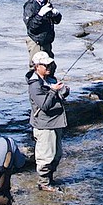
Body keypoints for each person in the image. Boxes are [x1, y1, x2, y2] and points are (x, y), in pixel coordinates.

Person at [27, 52, 69, 191]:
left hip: (56, 123)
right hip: (45, 126)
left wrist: (63, 91)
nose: (49, 67)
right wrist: (53, 91)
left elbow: (58, 94)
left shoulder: (49, 78)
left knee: (57, 155)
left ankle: (49, 179)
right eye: (45, 65)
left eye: (50, 64)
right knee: (46, 157)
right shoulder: (34, 86)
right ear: (37, 67)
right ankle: (44, 183)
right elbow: (44, 105)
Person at [24, 0, 62, 65]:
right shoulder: (29, 6)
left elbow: (56, 21)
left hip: (47, 41)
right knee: (36, 67)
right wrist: (40, 15)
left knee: (50, 67)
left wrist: (56, 14)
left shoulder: (45, 3)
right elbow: (31, 28)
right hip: (36, 42)